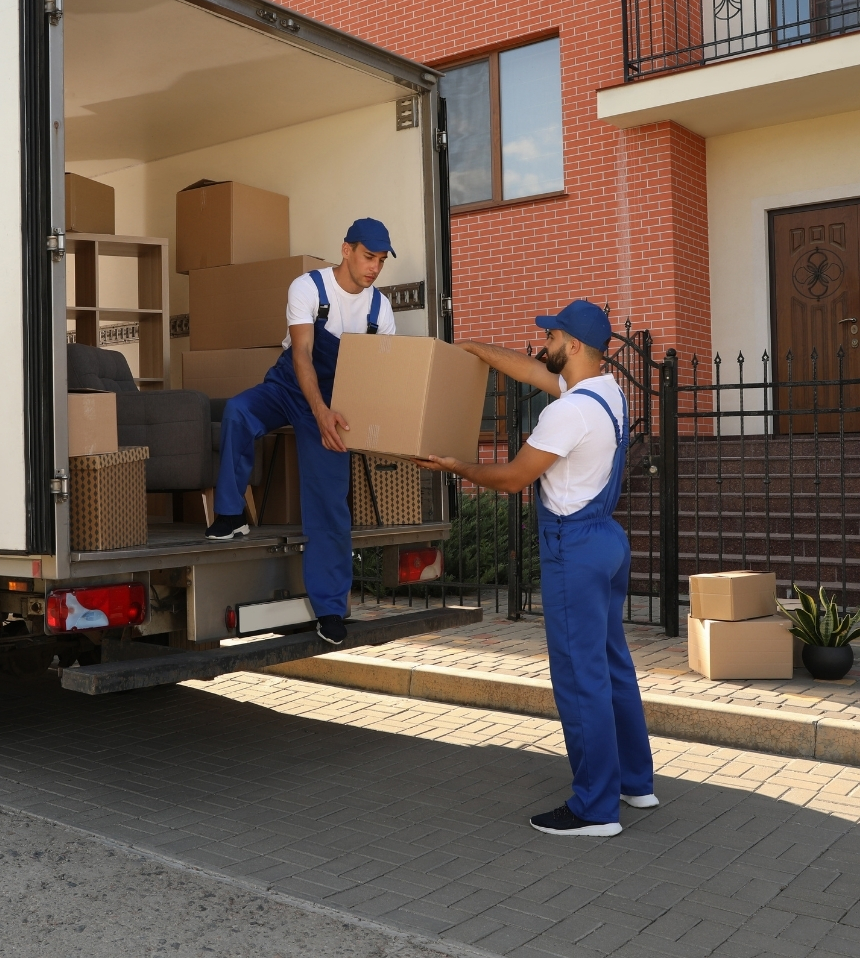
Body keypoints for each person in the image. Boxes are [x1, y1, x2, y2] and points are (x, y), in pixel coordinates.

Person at [418, 300, 655, 836]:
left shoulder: (566, 412)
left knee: (579, 679)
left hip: (574, 547)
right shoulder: (606, 392)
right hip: (608, 541)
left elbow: (510, 479)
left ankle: (595, 810)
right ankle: (635, 783)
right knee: (613, 666)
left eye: (550, 336)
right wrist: (477, 349)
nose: (541, 344)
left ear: (572, 346)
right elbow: (530, 369)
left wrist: (455, 466)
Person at [204, 218, 397, 646]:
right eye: (369, 257)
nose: (374, 268)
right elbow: (303, 355)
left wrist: (346, 420)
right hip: (291, 385)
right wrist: (317, 409)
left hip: (338, 401)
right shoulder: (308, 287)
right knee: (238, 411)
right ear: (346, 249)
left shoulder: (379, 310)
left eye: (381, 261)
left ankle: (330, 608)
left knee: (328, 500)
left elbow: (376, 374)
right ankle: (231, 514)